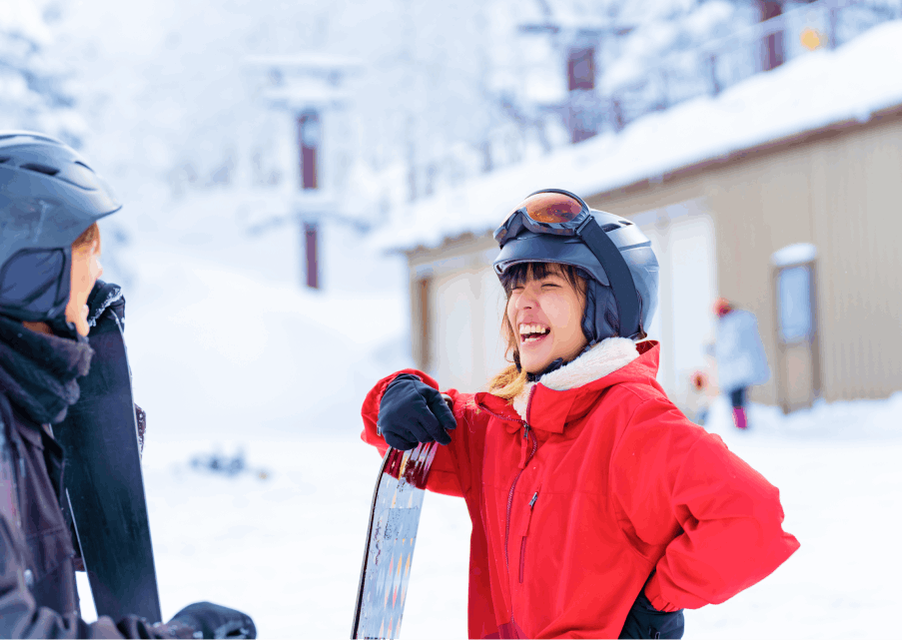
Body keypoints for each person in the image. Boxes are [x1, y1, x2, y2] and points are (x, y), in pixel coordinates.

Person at [361, 188, 799, 640]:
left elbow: (751, 518)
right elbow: (412, 434)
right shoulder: (502, 425)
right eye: (516, 287)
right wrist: (396, 394)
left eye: (548, 285)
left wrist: (655, 605)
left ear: (605, 308)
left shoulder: (634, 422)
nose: (522, 305)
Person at [0, 131, 256, 640]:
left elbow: (36, 553)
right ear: (29, 273)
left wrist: (84, 394)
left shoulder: (22, 416)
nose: (97, 272)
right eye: (83, 253)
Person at [713, 297, 771, 430]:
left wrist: (714, 349)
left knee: (736, 400)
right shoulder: (742, 320)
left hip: (736, 371)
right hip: (742, 369)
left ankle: (741, 425)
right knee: (740, 399)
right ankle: (742, 424)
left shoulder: (732, 324)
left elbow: (729, 347)